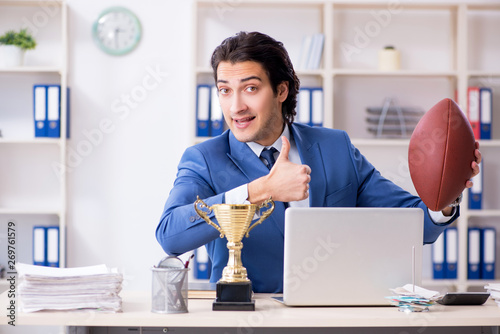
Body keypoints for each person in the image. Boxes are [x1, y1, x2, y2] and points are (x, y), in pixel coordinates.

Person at [156, 31, 482, 293]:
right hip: (249, 317)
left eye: (250, 88)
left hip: (330, 315)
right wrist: (261, 189)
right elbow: (170, 235)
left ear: (281, 90)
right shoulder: (204, 158)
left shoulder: (334, 147)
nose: (235, 106)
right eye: (224, 91)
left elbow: (411, 222)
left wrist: (446, 194)